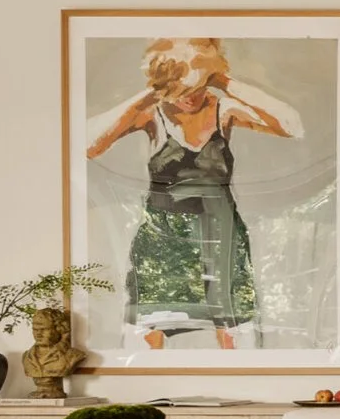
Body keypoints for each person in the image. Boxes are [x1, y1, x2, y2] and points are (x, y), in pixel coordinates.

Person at [86, 38, 300, 350]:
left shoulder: (223, 110)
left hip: (221, 236)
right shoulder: (152, 114)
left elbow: (291, 125)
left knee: (235, 332)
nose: (191, 97)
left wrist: (223, 81)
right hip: (163, 241)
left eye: (198, 86)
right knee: (149, 331)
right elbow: (86, 144)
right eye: (182, 88)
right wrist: (154, 90)